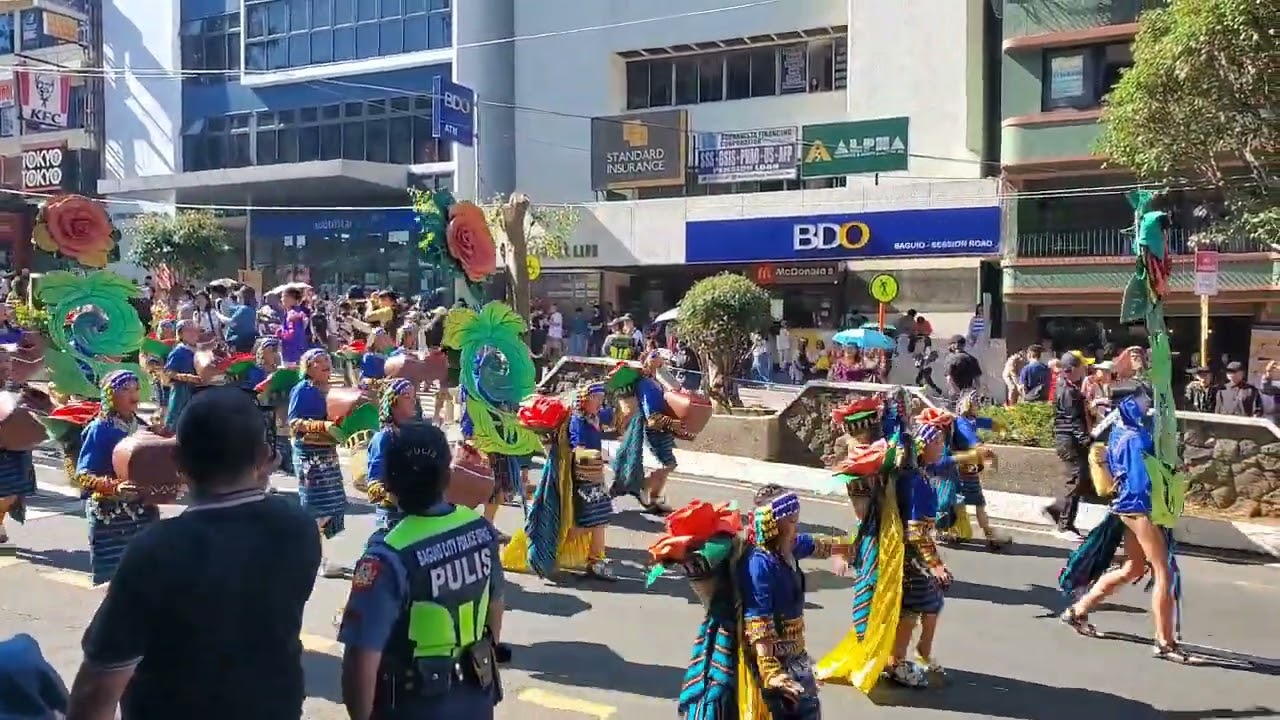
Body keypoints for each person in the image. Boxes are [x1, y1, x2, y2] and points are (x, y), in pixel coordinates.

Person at [67, 386, 321, 720]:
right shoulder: (299, 527)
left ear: (176, 460)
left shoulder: (156, 550)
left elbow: (97, 690)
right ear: (264, 457)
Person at [338, 422, 506, 720]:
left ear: (388, 483)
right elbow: (495, 605)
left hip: (413, 706)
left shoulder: (387, 555)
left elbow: (362, 658)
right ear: (447, 477)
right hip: (475, 697)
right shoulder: (480, 529)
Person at [1057, 382, 1191, 663]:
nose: (1146, 403)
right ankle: (1165, 642)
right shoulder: (1134, 437)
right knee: (1164, 572)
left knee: (1134, 567)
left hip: (1125, 507)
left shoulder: (1120, 431)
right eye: (1141, 398)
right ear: (1128, 403)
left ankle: (1077, 611)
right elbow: (1141, 482)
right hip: (1138, 507)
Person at [72, 371, 162, 586]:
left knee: (147, 575)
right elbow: (83, 474)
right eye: (125, 389)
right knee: (113, 581)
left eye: (136, 389)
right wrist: (114, 487)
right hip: (110, 517)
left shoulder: (142, 426)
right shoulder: (100, 429)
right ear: (110, 395)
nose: (133, 395)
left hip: (143, 512)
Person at [288, 348, 350, 578]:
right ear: (308, 367)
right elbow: (293, 422)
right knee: (315, 507)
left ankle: (318, 556)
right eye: (319, 361)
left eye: (327, 359)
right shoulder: (302, 389)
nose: (326, 363)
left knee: (331, 506)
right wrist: (320, 426)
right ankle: (314, 558)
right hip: (309, 454)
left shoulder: (331, 390)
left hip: (327, 452)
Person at [610, 349, 691, 515]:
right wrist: (671, 423)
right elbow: (651, 414)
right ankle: (642, 486)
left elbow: (676, 390)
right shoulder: (646, 383)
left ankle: (653, 499)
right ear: (646, 361)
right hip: (654, 427)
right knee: (667, 464)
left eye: (659, 355)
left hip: (663, 427)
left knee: (668, 465)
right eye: (654, 355)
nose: (659, 357)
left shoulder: (656, 380)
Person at [364, 379, 421, 545]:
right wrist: (388, 491)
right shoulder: (384, 437)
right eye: (407, 397)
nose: (413, 401)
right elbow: (374, 483)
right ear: (393, 402)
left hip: (415, 509)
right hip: (392, 512)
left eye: (414, 396)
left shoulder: (416, 432)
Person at [1045, 352, 1092, 537]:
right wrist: (1085, 438)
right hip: (1069, 440)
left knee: (1079, 479)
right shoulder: (1067, 390)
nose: (1085, 369)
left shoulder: (1068, 386)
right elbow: (1073, 419)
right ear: (1072, 369)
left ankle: (1057, 511)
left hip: (1068, 439)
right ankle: (1064, 525)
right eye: (1082, 366)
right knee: (1076, 480)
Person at [0, 350, 37, 550]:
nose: (6, 365)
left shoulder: (18, 387)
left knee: (12, 493)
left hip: (17, 450)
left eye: (8, 361)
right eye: (2, 361)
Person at [163, 319, 204, 431]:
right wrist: (186, 377)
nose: (192, 333)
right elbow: (169, 371)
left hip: (199, 391)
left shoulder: (202, 350)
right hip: (182, 391)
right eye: (188, 330)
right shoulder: (179, 351)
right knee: (178, 419)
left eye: (195, 330)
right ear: (180, 334)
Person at [277, 288, 310, 366]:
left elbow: (291, 334)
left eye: (283, 296)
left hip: (291, 353)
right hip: (299, 352)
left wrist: (279, 332)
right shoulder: (297, 312)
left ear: (291, 299)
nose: (281, 299)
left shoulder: (292, 315)